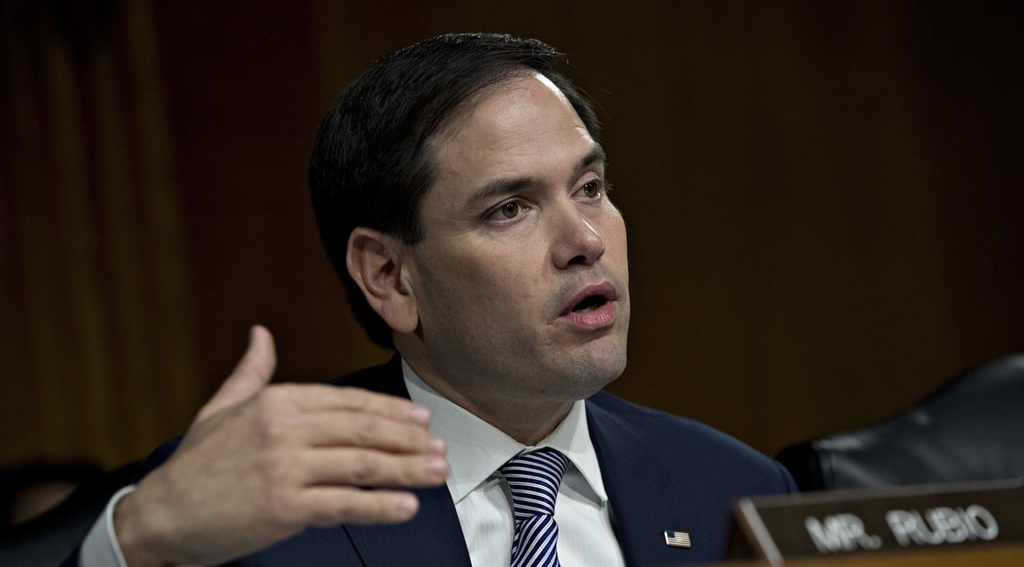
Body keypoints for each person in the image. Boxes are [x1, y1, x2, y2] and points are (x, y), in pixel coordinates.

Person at [76, 33, 796, 567]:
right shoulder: (256, 509)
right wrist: (138, 539)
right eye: (510, 208)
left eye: (590, 187)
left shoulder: (737, 490)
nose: (584, 238)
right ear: (389, 275)